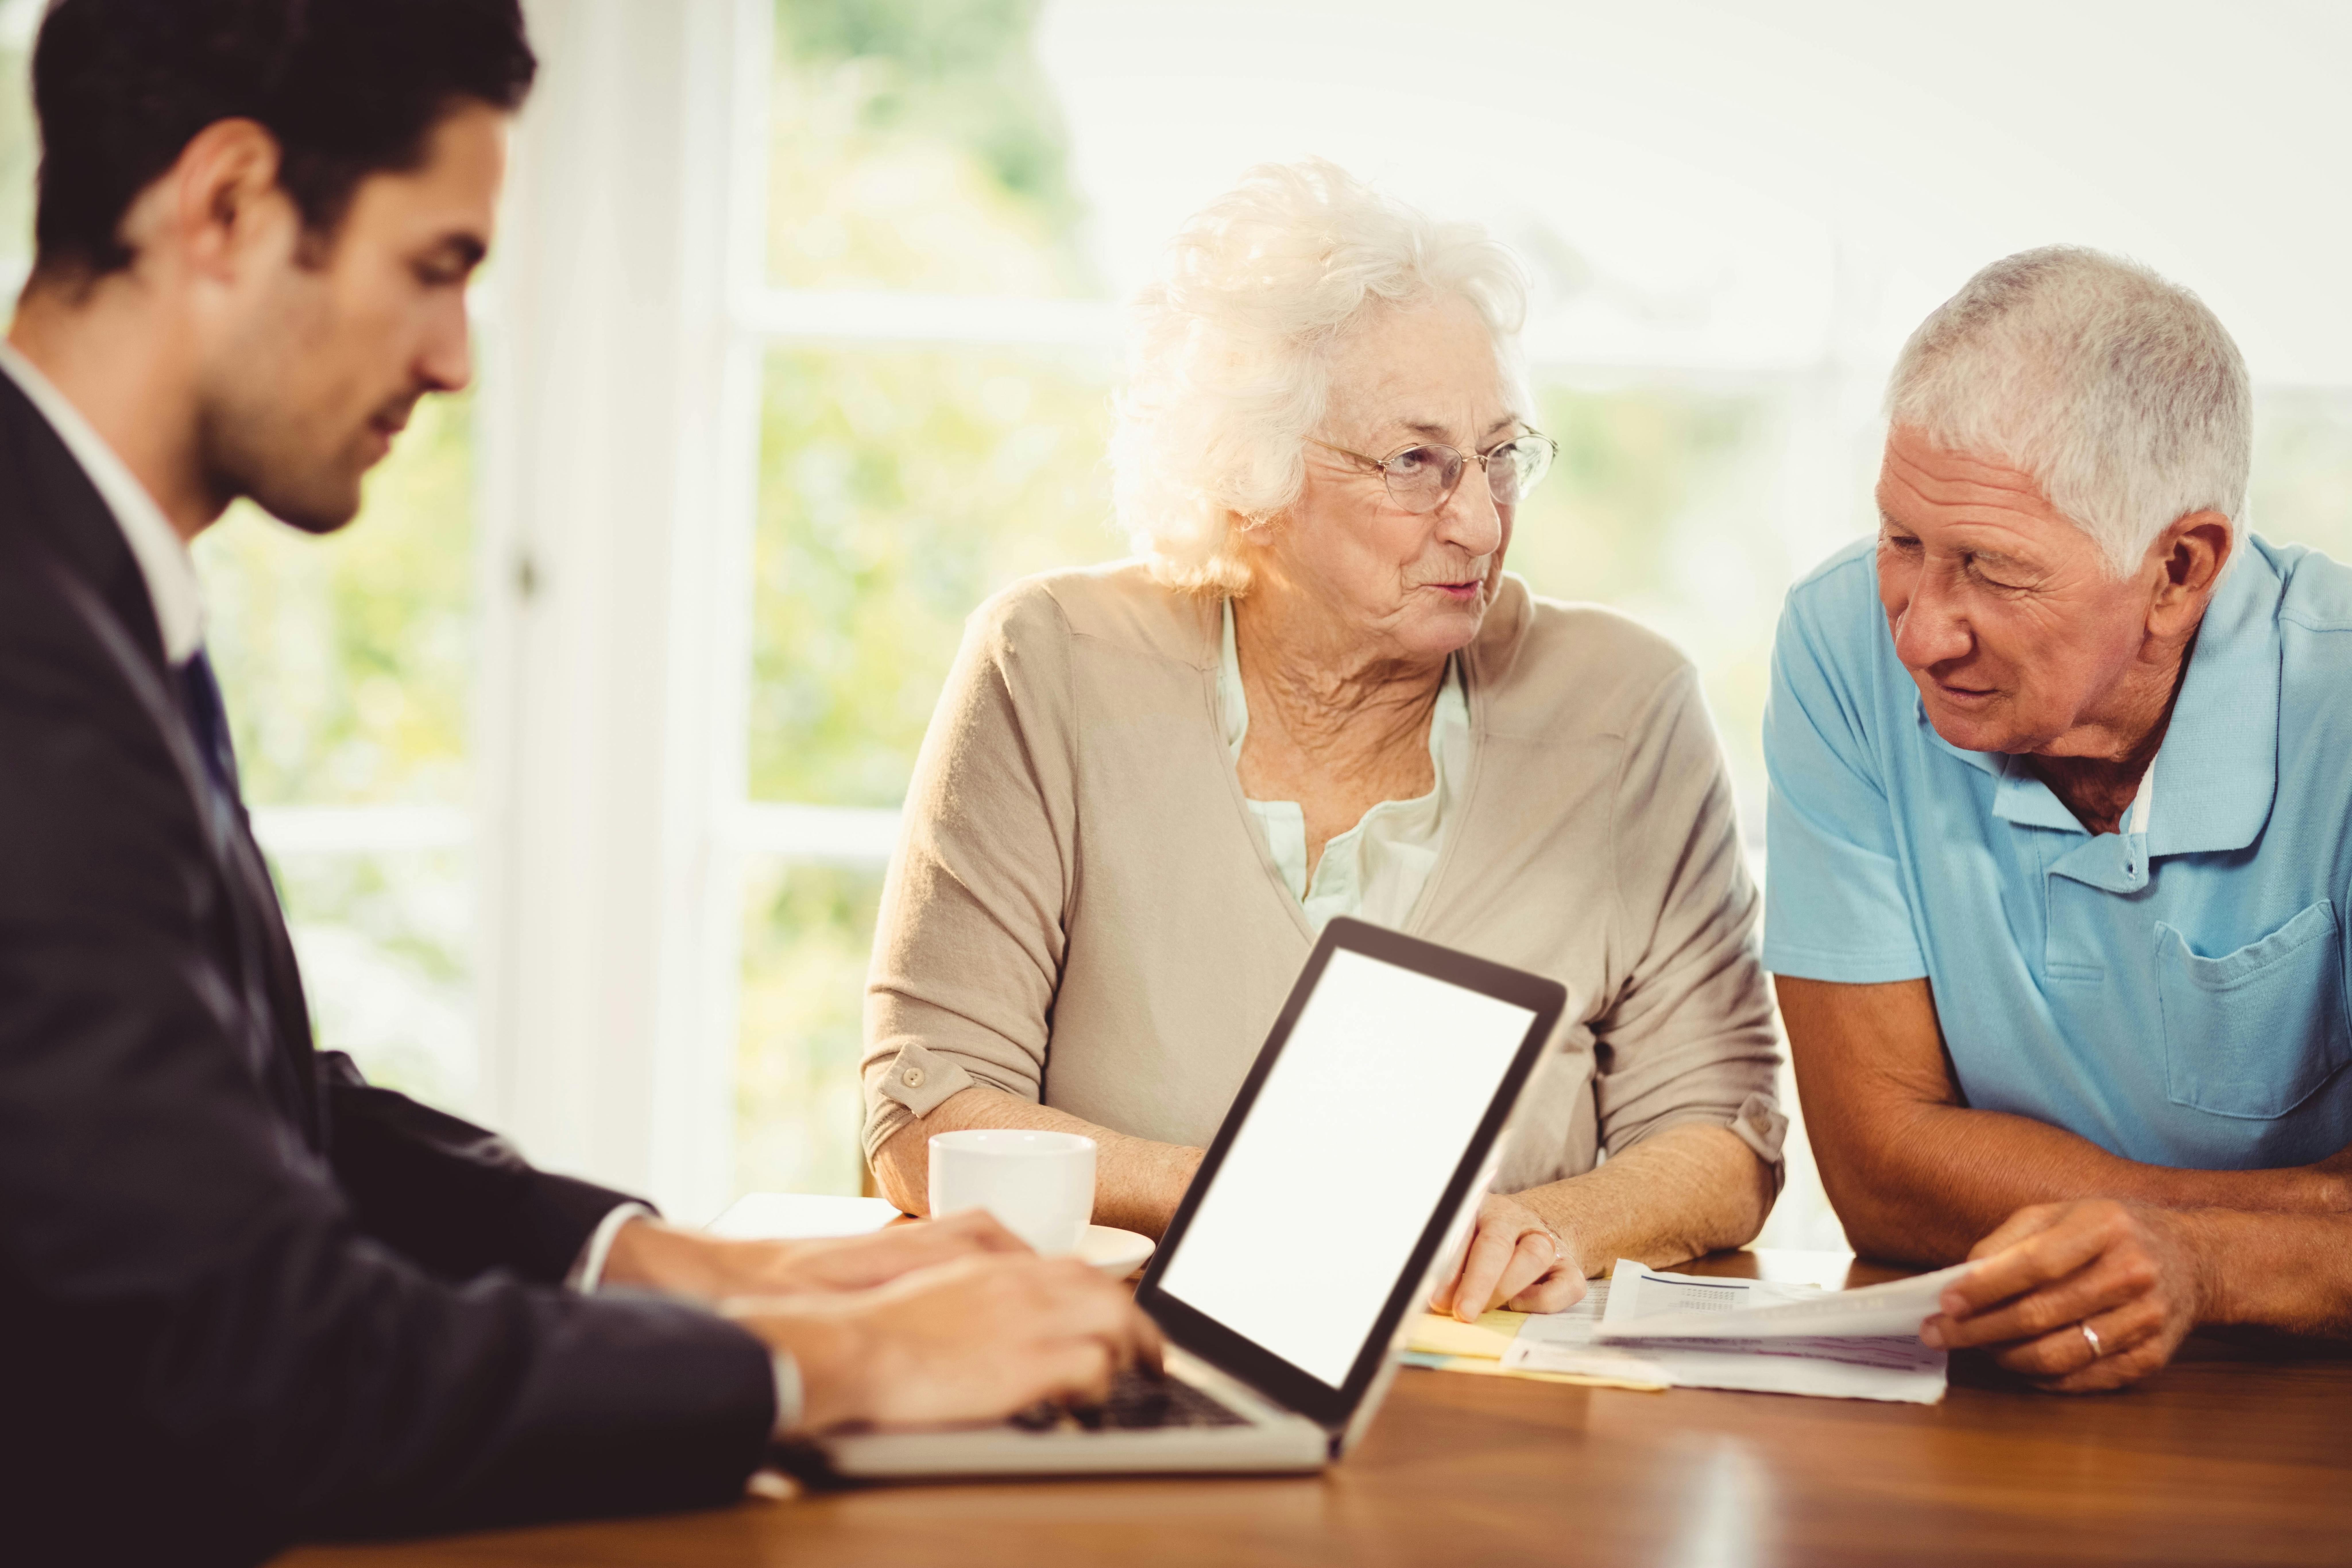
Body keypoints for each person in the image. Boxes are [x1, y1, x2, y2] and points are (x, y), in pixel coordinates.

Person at [0, 3, 1155, 1562]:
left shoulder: (76, 582)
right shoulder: (32, 654)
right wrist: (839, 1365)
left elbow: (239, 1109)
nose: (454, 359)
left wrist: (675, 1267)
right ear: (226, 204)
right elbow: (271, 1359)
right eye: (436, 266)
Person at [860, 159, 1787, 1323]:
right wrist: (1253, 1204)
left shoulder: (1624, 708)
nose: (1480, 520)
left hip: (1491, 1382)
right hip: (1116, 1363)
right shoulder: (1051, 663)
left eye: (1499, 455)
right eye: (1416, 463)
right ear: (1249, 477)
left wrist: (1551, 1227)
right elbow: (928, 1110)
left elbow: (1724, 1139)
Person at [1764, 245, 2352, 1394]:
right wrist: (2293, 1227)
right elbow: (1879, 1168)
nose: (1918, 634)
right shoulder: (1837, 641)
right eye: (1902, 541)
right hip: (1996, 1374)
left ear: (2178, 570)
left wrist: (2203, 1260)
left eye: (1993, 570)